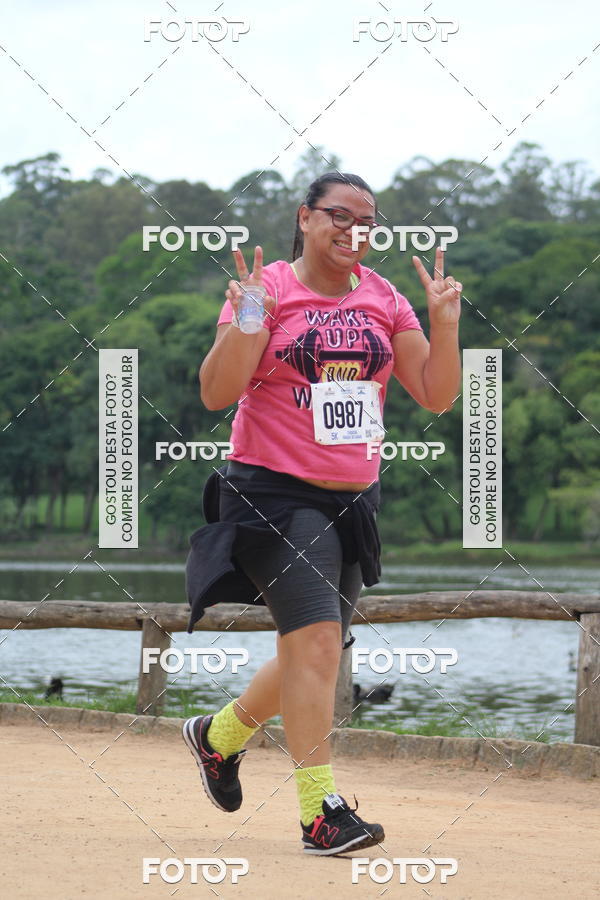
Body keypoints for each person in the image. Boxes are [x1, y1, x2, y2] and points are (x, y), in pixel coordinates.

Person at [182, 172, 461, 855]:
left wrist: (447, 323)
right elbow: (217, 393)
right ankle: (320, 814)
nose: (355, 230)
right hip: (274, 492)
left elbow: (436, 394)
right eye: (341, 215)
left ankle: (219, 738)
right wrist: (249, 318)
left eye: (368, 221)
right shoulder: (267, 289)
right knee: (315, 645)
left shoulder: (385, 298)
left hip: (352, 497)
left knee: (320, 644)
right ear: (306, 218)